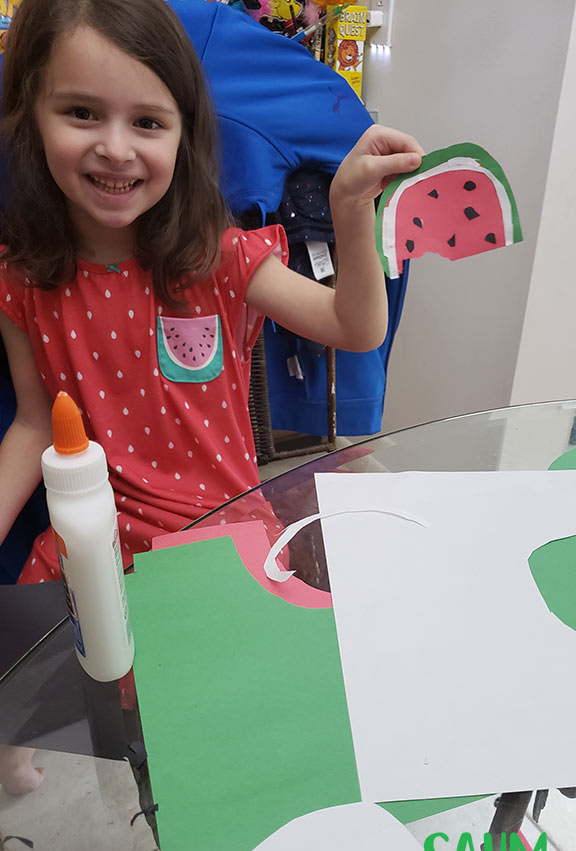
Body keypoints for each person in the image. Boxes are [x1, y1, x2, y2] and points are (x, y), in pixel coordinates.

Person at [0, 0, 423, 792]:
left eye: (148, 123)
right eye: (82, 113)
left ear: (185, 132)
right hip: (91, 542)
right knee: (31, 715)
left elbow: (354, 325)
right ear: (31, 114)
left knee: (248, 749)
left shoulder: (218, 258)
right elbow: (31, 423)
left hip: (223, 539)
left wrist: (350, 214)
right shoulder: (22, 277)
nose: (115, 148)